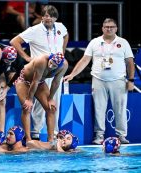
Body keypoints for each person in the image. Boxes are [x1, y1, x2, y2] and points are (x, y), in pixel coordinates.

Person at [64, 18, 134, 144]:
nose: (109, 29)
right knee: (99, 109)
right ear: (102, 28)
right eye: (106, 27)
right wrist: (72, 74)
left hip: (119, 80)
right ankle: (99, 135)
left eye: (112, 27)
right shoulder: (95, 42)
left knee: (120, 109)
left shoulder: (123, 43)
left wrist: (131, 80)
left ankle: (122, 135)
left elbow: (130, 63)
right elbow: (85, 60)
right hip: (98, 80)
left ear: (116, 28)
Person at [10, 5, 68, 142]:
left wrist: (62, 51)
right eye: (46, 15)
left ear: (55, 18)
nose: (48, 18)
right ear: (42, 17)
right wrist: (26, 57)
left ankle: (51, 137)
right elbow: (14, 41)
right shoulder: (34, 31)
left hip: (47, 74)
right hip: (32, 75)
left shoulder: (60, 28)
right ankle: (33, 135)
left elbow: (56, 81)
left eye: (51, 16)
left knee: (51, 105)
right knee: (30, 106)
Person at [14, 52, 68, 143]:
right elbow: (35, 81)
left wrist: (50, 98)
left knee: (51, 109)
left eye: (54, 66)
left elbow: (56, 82)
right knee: (27, 108)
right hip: (24, 80)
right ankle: (28, 140)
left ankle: (51, 140)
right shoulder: (41, 61)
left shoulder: (64, 66)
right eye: (51, 63)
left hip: (40, 83)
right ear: (49, 59)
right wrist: (29, 99)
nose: (51, 66)